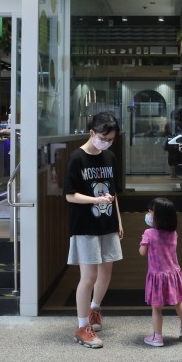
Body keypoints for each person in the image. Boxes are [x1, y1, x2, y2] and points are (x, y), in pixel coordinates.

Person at [65, 111, 124, 349]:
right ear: (92, 133)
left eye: (111, 139)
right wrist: (95, 201)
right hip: (85, 226)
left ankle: (94, 310)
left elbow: (114, 192)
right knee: (88, 277)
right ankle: (82, 327)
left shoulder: (110, 157)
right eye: (103, 137)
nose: (107, 143)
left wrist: (118, 220)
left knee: (106, 273)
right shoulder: (77, 159)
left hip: (107, 223)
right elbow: (70, 196)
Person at [139, 196, 182, 347]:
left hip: (157, 276)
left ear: (158, 216)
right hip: (173, 274)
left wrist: (143, 242)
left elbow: (142, 252)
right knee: (179, 302)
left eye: (150, 212)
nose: (148, 215)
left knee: (156, 309)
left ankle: (157, 337)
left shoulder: (149, 234)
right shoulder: (173, 233)